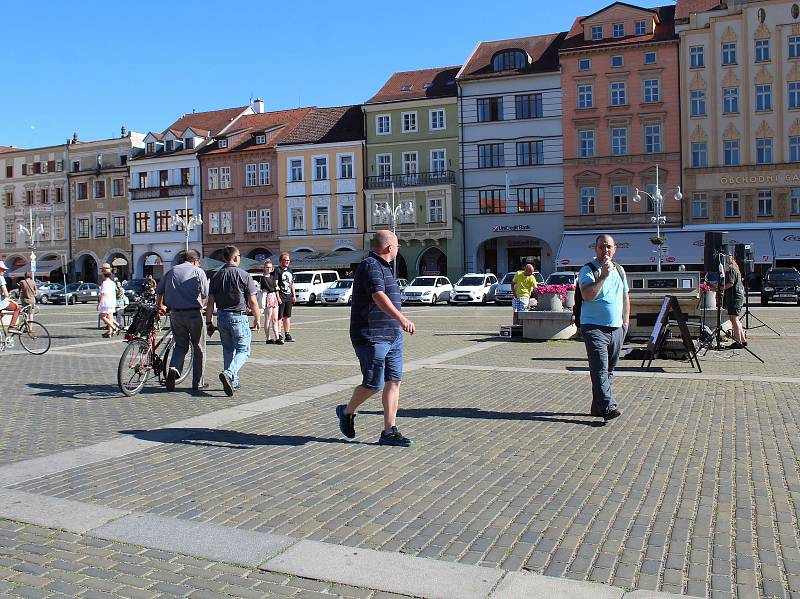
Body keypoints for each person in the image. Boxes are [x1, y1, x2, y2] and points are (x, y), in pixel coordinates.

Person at [336, 230, 416, 447]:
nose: (398, 249)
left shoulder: (385, 268)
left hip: (393, 336)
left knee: (394, 381)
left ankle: (389, 431)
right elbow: (378, 296)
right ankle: (346, 411)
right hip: (372, 335)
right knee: (373, 384)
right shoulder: (370, 265)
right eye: (398, 246)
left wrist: (397, 325)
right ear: (390, 248)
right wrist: (401, 318)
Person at [578, 234, 629, 422]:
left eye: (608, 247)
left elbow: (625, 297)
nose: (605, 250)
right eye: (601, 247)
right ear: (595, 249)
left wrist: (625, 323)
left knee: (608, 370)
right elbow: (587, 295)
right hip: (593, 327)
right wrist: (604, 275)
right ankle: (608, 407)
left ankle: (598, 407)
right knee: (599, 368)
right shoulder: (588, 270)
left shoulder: (620, 270)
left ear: (615, 248)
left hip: (616, 327)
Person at [207, 245, 261, 396]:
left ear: (224, 258)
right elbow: (253, 301)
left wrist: (209, 322)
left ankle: (233, 381)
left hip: (222, 317)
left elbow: (210, 302)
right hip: (238, 317)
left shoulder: (217, 276)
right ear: (236, 258)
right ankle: (230, 373)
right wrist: (257, 319)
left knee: (228, 350)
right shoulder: (244, 275)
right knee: (244, 350)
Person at [157, 249, 209, 392]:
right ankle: (197, 383)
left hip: (175, 314)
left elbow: (159, 290)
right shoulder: (198, 272)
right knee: (199, 348)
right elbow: (205, 293)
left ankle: (174, 368)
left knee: (180, 346)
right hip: (193, 314)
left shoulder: (171, 271)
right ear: (195, 260)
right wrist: (204, 307)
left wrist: (159, 305)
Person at [722, 253, 746, 349]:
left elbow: (730, 284)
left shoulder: (731, 269)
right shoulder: (736, 268)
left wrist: (719, 288)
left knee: (734, 319)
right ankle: (742, 340)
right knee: (736, 318)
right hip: (737, 296)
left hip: (734, 297)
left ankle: (738, 341)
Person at [261, 259, 282, 345]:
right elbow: (268, 288)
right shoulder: (263, 278)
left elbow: (276, 288)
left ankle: (277, 337)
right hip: (268, 297)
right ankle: (268, 338)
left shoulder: (273, 277)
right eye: (267, 267)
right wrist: (275, 289)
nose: (269, 269)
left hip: (274, 297)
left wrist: (278, 297)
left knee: (275, 319)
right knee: (268, 318)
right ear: (264, 268)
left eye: (270, 267)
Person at [275, 252, 296, 342]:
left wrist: (294, 295)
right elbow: (275, 284)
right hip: (281, 296)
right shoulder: (277, 270)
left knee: (287, 316)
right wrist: (278, 297)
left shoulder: (290, 270)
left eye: (288, 260)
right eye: (285, 260)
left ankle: (287, 333)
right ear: (281, 261)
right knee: (280, 316)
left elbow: (292, 283)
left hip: (288, 296)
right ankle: (279, 334)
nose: (287, 262)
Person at [0, 261, 21, 331]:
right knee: (17, 308)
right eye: (3, 269)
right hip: (1, 303)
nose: (5, 271)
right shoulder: (1, 278)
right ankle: (12, 326)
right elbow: (6, 294)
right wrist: (14, 302)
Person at [98, 270, 119, 337]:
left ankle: (115, 328)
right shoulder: (112, 283)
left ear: (104, 275)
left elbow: (103, 294)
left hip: (106, 302)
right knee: (110, 317)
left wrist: (99, 303)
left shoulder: (104, 283)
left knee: (102, 316)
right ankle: (110, 332)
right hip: (112, 302)